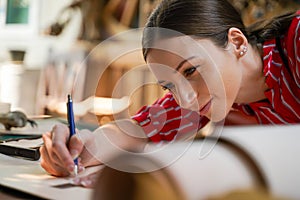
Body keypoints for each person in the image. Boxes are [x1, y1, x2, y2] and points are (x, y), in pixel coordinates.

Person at [40, 0, 300, 188]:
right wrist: (77, 147)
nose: (186, 100)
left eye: (190, 71)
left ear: (237, 43)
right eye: (170, 86)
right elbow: (133, 131)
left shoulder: (296, 42)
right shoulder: (207, 97)